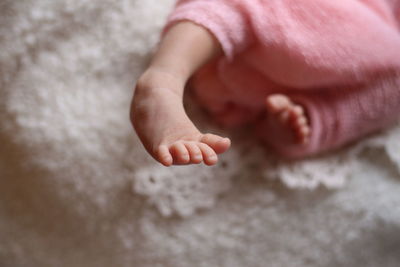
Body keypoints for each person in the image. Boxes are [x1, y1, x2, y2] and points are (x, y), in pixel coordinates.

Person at [131, 0, 400, 166]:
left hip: (306, 74)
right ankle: (164, 79)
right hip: (235, 39)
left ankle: (293, 123)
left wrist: (304, 120)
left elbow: (371, 102)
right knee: (234, 9)